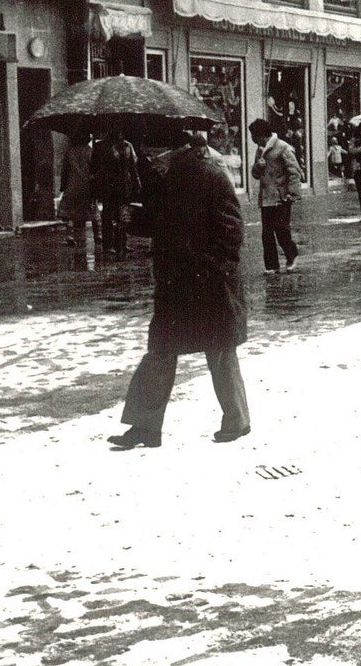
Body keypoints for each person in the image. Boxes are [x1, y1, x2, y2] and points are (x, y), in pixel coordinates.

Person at [108, 131, 250, 450]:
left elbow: (232, 231)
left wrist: (211, 265)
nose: (151, 162)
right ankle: (145, 427)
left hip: (210, 283)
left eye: (155, 156)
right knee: (160, 351)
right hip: (175, 284)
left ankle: (237, 419)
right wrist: (133, 219)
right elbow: (162, 225)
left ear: (174, 152)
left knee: (221, 350)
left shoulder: (213, 176)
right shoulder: (163, 181)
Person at [248, 117, 302, 272]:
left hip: (281, 197)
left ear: (262, 135)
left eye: (254, 136)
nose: (252, 139)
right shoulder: (260, 150)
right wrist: (258, 166)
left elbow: (294, 171)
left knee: (281, 230)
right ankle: (271, 266)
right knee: (267, 233)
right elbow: (255, 174)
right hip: (266, 198)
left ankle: (292, 255)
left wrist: (292, 193)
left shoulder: (283, 147)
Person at [90, 129, 140, 257]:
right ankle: (108, 244)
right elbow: (94, 166)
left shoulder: (128, 146)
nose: (120, 133)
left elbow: (132, 166)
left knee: (123, 213)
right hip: (108, 184)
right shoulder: (101, 146)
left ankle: (122, 242)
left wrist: (136, 181)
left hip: (124, 184)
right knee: (108, 213)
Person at [58, 131, 98, 249]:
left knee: (69, 212)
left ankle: (70, 235)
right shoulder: (91, 152)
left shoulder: (70, 152)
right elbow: (95, 169)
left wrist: (63, 186)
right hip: (87, 186)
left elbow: (64, 171)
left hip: (72, 185)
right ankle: (98, 235)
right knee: (92, 210)